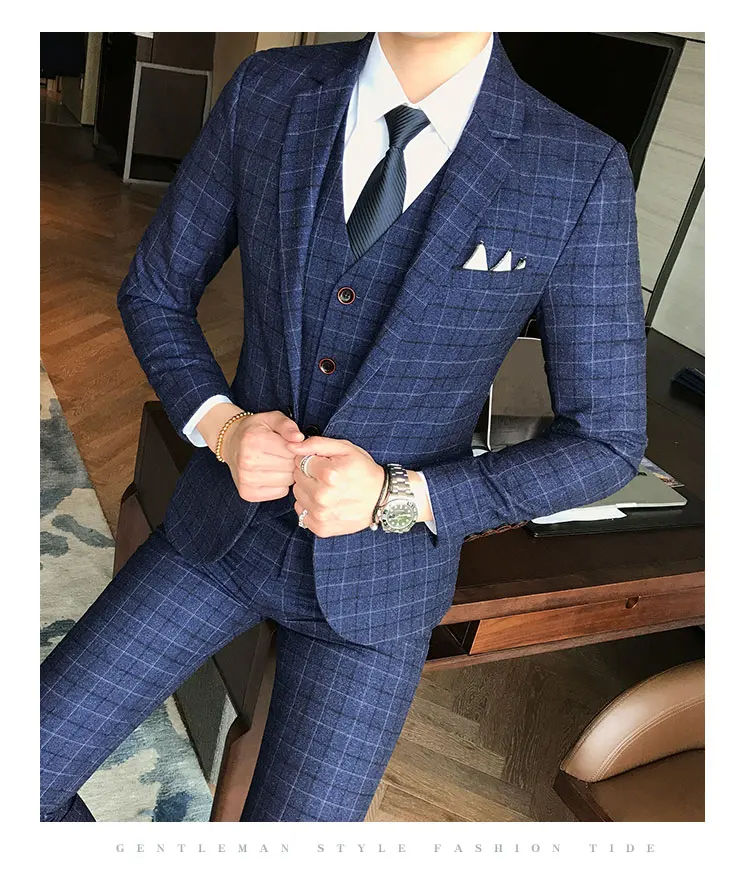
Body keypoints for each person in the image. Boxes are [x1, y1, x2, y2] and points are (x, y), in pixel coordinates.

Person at [40, 31, 647, 822]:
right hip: (221, 533)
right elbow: (155, 290)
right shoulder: (268, 91)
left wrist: (402, 496)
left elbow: (607, 439)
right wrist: (224, 426)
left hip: (378, 586)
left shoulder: (578, 166)